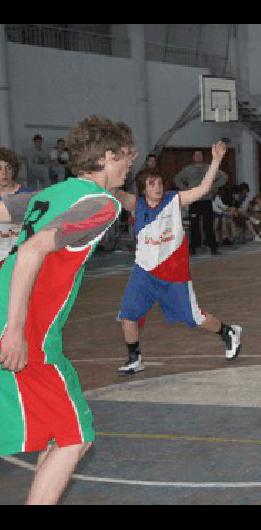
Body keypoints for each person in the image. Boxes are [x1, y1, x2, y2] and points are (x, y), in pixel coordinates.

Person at [0, 115, 132, 504]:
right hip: (27, 328)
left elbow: (6, 212)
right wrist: (15, 330)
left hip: (15, 317)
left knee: (64, 435)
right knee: (75, 436)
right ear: (108, 157)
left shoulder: (53, 194)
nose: (130, 164)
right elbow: (31, 250)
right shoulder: (101, 204)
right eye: (126, 156)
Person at [113, 142, 243, 376]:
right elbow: (111, 190)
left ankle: (227, 332)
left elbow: (203, 188)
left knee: (194, 318)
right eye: (152, 184)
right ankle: (135, 357)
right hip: (143, 272)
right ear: (143, 188)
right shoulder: (136, 205)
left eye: (160, 183)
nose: (158, 187)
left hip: (173, 274)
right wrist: (119, 163)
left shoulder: (174, 200)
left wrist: (215, 159)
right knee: (127, 314)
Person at [174, 149, 228, 255]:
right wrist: (186, 190)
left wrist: (213, 186)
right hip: (194, 200)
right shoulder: (188, 169)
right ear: (193, 157)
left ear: (203, 157)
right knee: (194, 224)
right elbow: (177, 179)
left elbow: (224, 176)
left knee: (208, 225)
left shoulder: (209, 168)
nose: (198, 157)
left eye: (200, 155)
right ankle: (193, 247)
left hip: (206, 200)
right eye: (196, 155)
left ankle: (212, 247)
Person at [0, 148, 34, 266]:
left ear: (14, 170)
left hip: (19, 257)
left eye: (8, 168)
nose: (4, 173)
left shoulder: (27, 196)